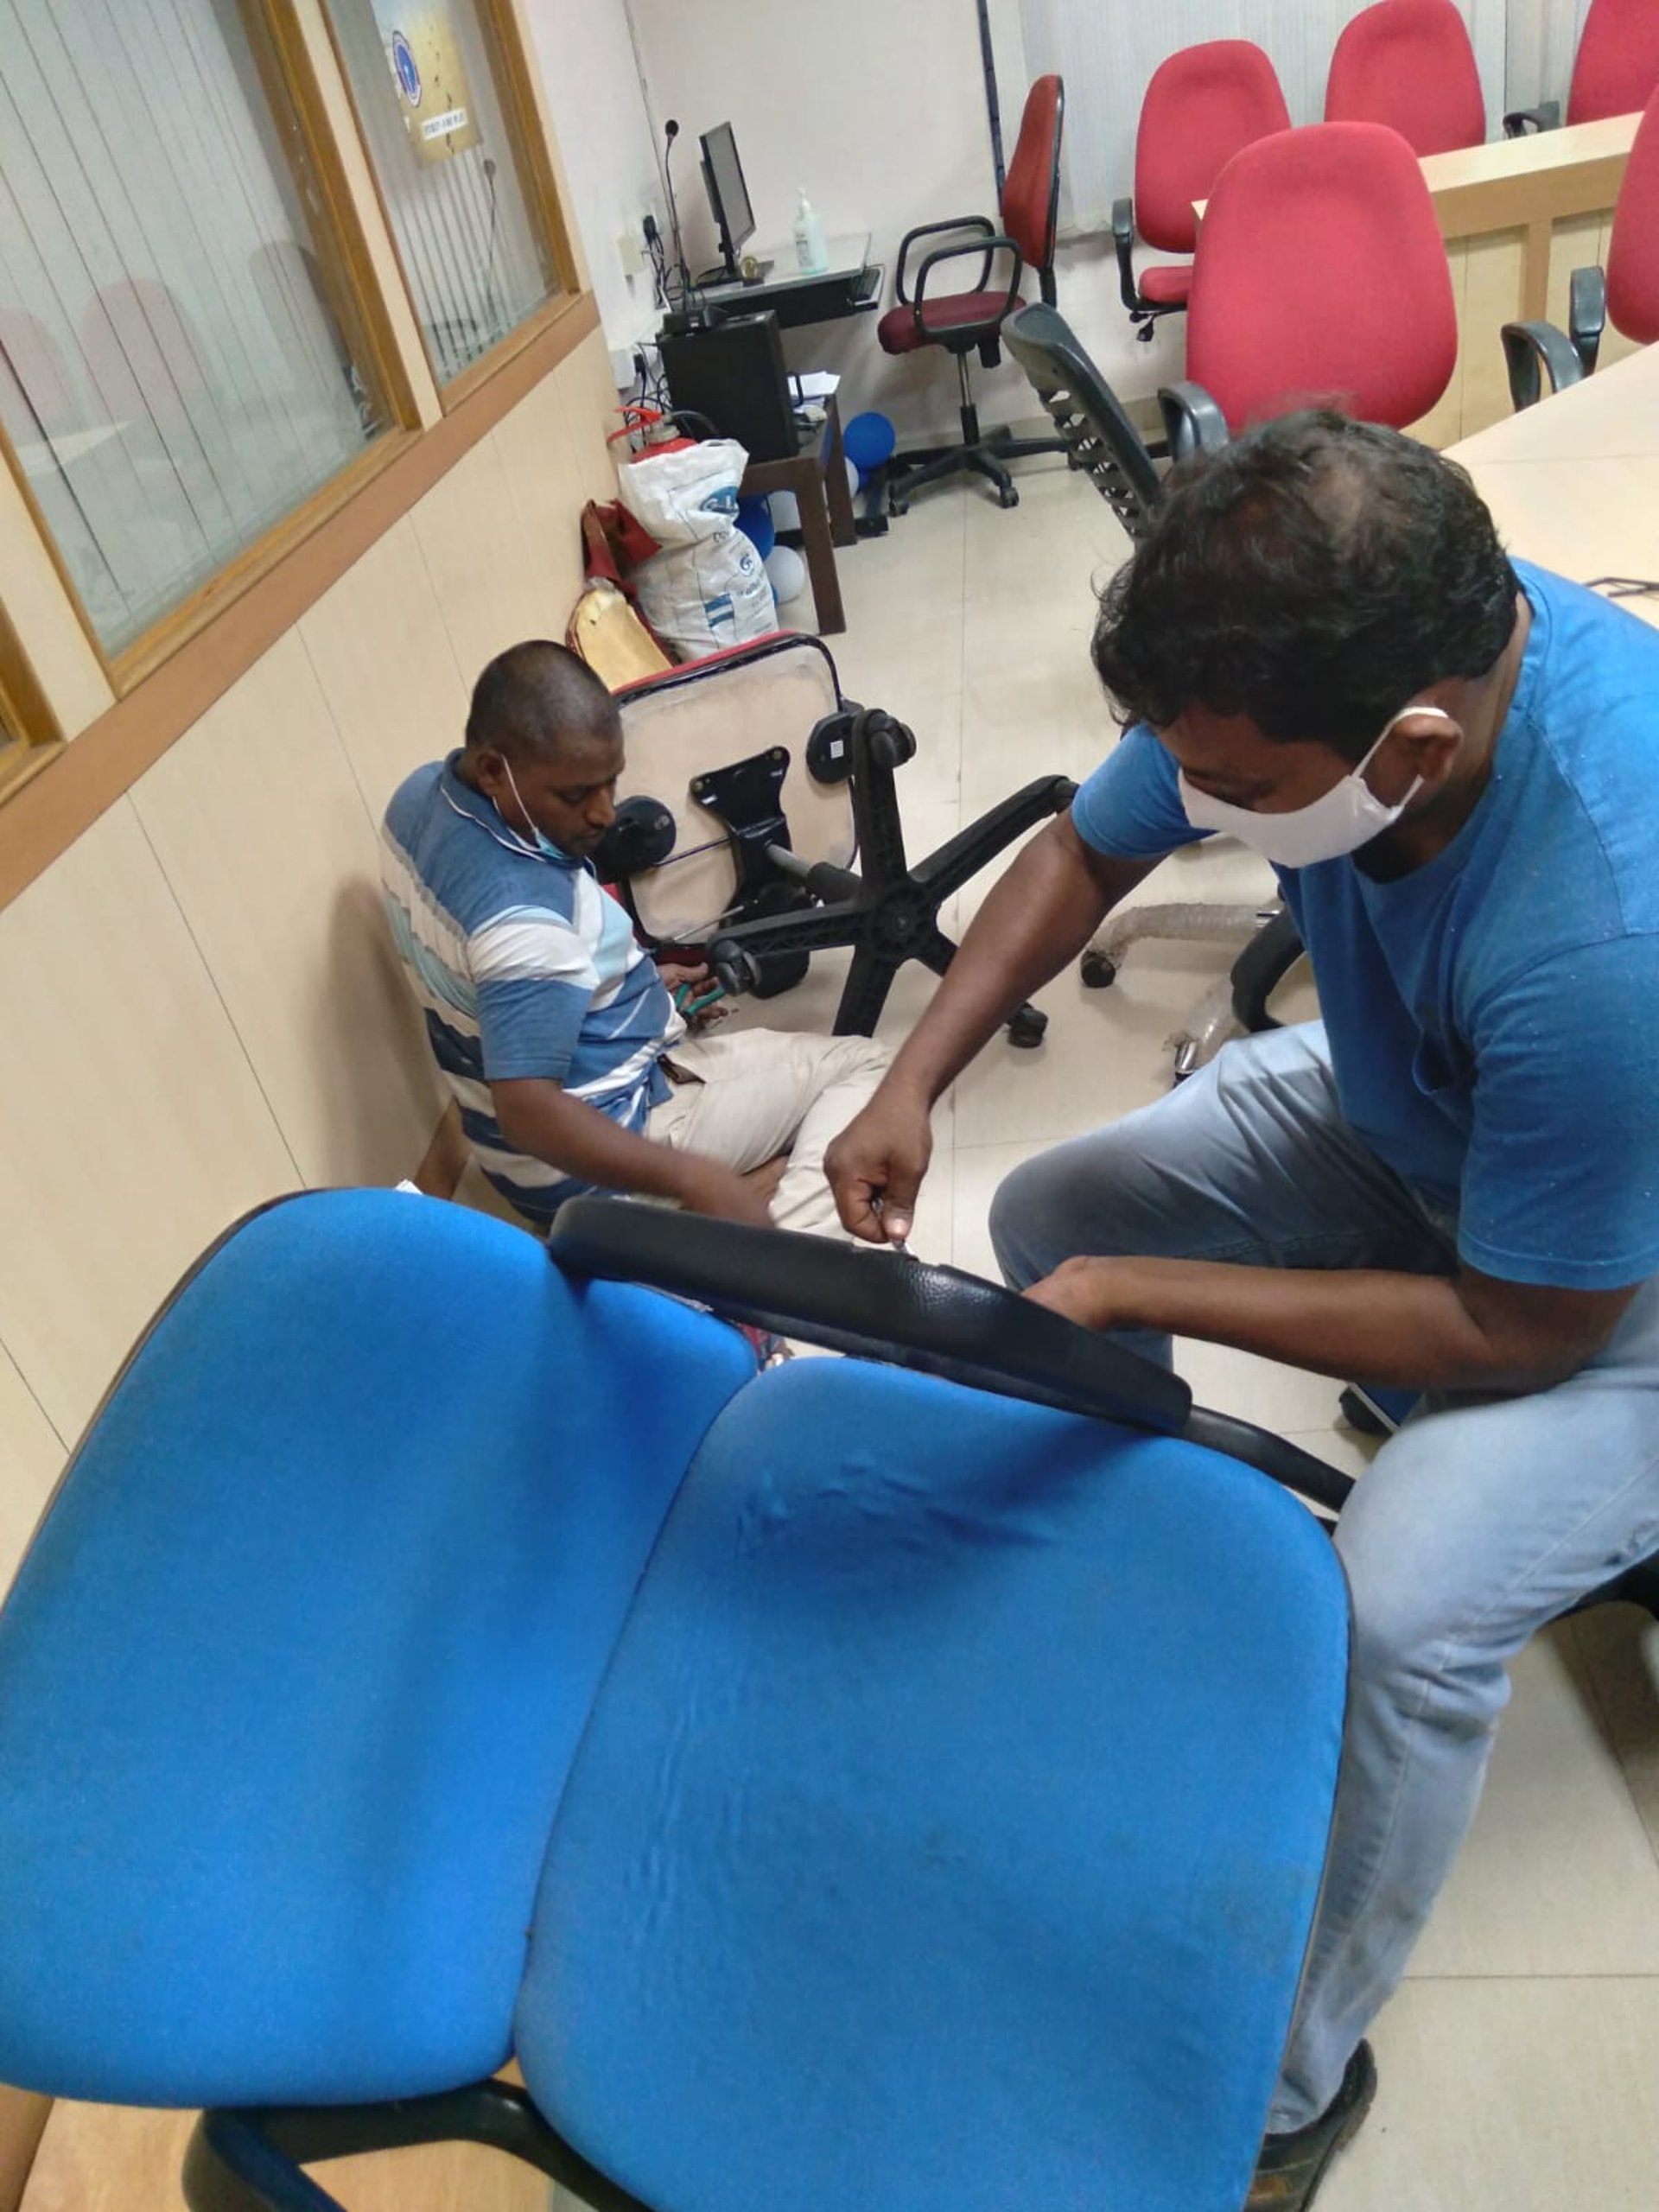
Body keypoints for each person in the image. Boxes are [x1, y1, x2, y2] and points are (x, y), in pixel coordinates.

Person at [824, 412, 1659, 2209]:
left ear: (1414, 746)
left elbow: (1525, 1329)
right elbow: (1086, 847)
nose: (1198, 805)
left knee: (1400, 1615)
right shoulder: (1309, 666)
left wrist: (1140, 1289)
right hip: (1432, 1111)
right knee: (1052, 1203)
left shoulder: (1607, 928)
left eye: (1242, 791)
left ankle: (1289, 2086)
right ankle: (1163, 1581)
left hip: (1609, 1287)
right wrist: (911, 1080)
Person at [381, 639, 889, 1237]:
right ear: (495, 770)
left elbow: (503, 989)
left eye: (610, 784)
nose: (603, 814)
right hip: (599, 1154)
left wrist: (627, 983)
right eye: (576, 795)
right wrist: (696, 1180)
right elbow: (529, 1114)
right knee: (871, 1068)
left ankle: (721, 1200)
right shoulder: (529, 926)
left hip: (505, 1156)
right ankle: (772, 1251)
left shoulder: (416, 801)